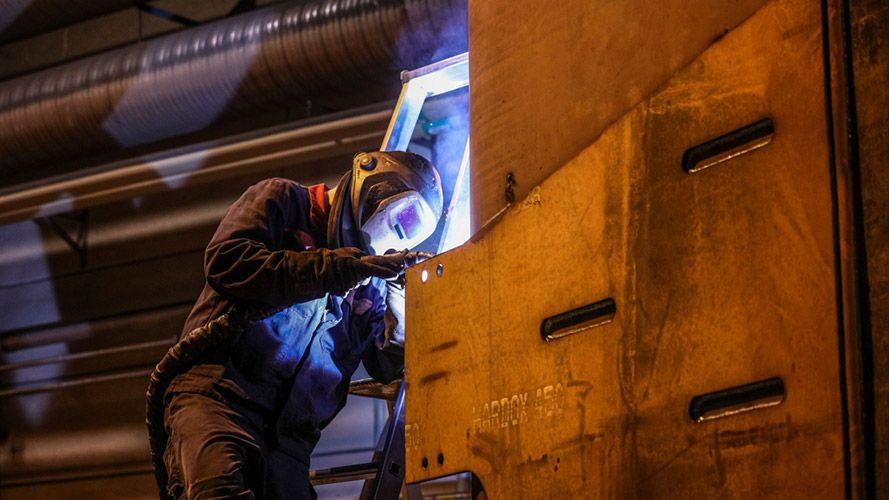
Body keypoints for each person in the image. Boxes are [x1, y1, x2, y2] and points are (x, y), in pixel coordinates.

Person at [160, 150, 443, 499]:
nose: (400, 234)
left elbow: (384, 364)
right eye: (403, 216)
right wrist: (340, 268)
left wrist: (402, 302)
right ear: (371, 182)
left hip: (288, 448)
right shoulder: (283, 200)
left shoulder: (370, 285)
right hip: (220, 405)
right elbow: (226, 263)